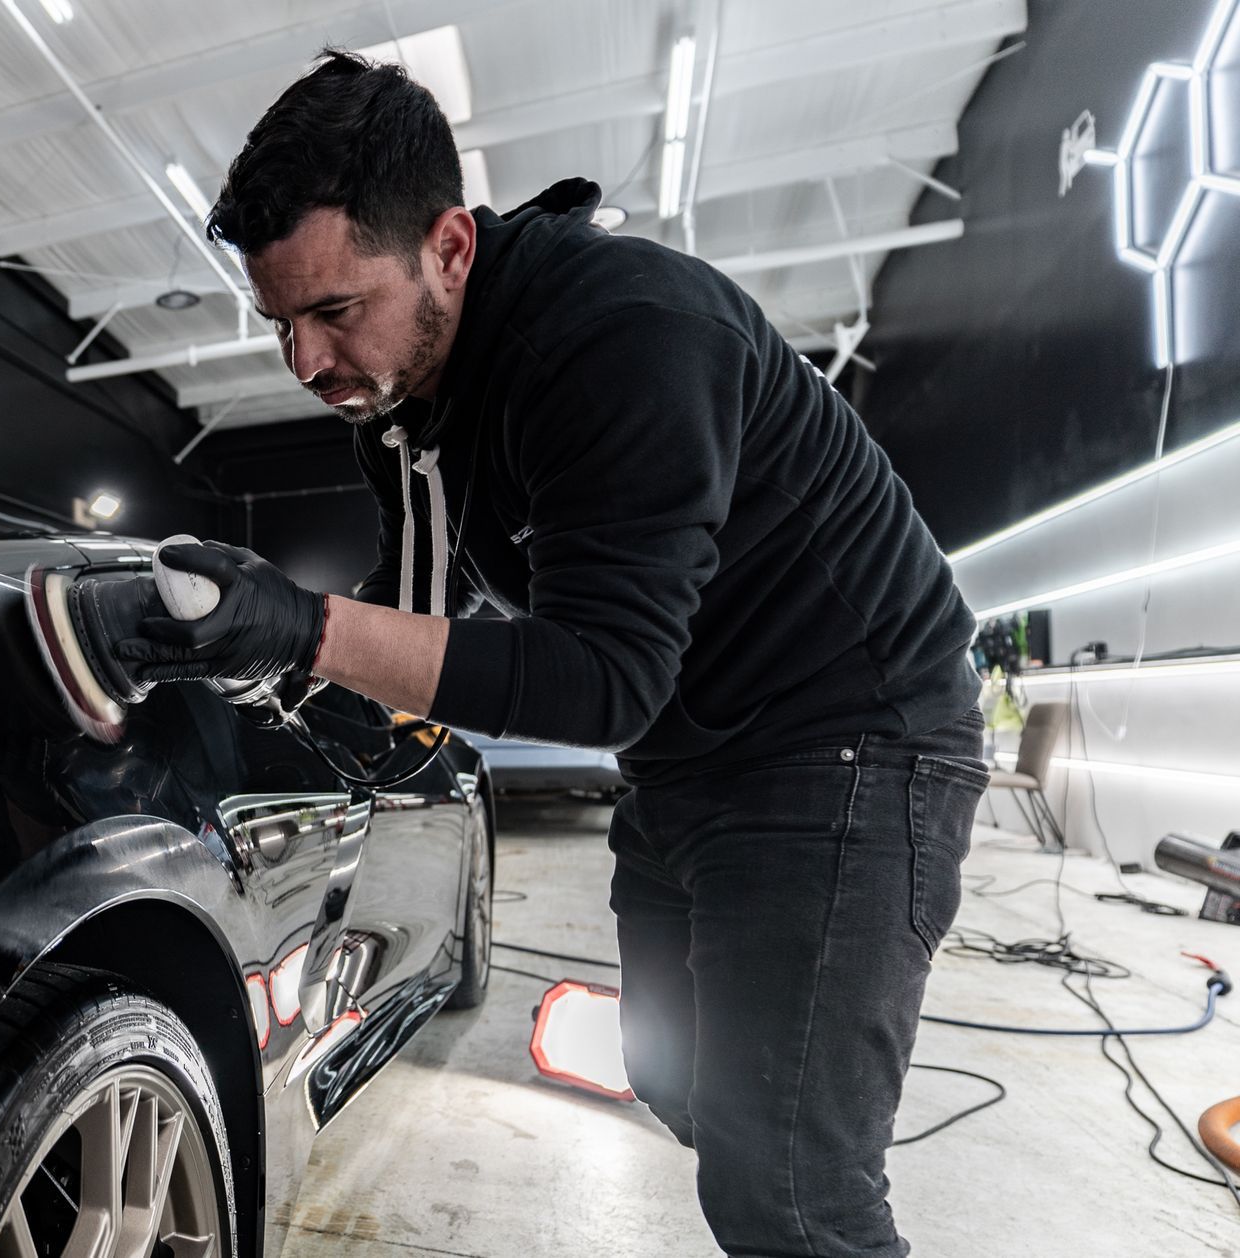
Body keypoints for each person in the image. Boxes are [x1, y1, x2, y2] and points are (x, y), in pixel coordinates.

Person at [102, 48, 988, 1257]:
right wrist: (241, 670)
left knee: (789, 1193)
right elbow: (415, 609)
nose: (305, 362)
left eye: (335, 310)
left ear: (450, 247)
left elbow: (605, 681)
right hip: (691, 761)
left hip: (853, 746)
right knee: (672, 1073)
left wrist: (301, 622)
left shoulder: (624, 339)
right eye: (281, 323)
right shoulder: (405, 401)